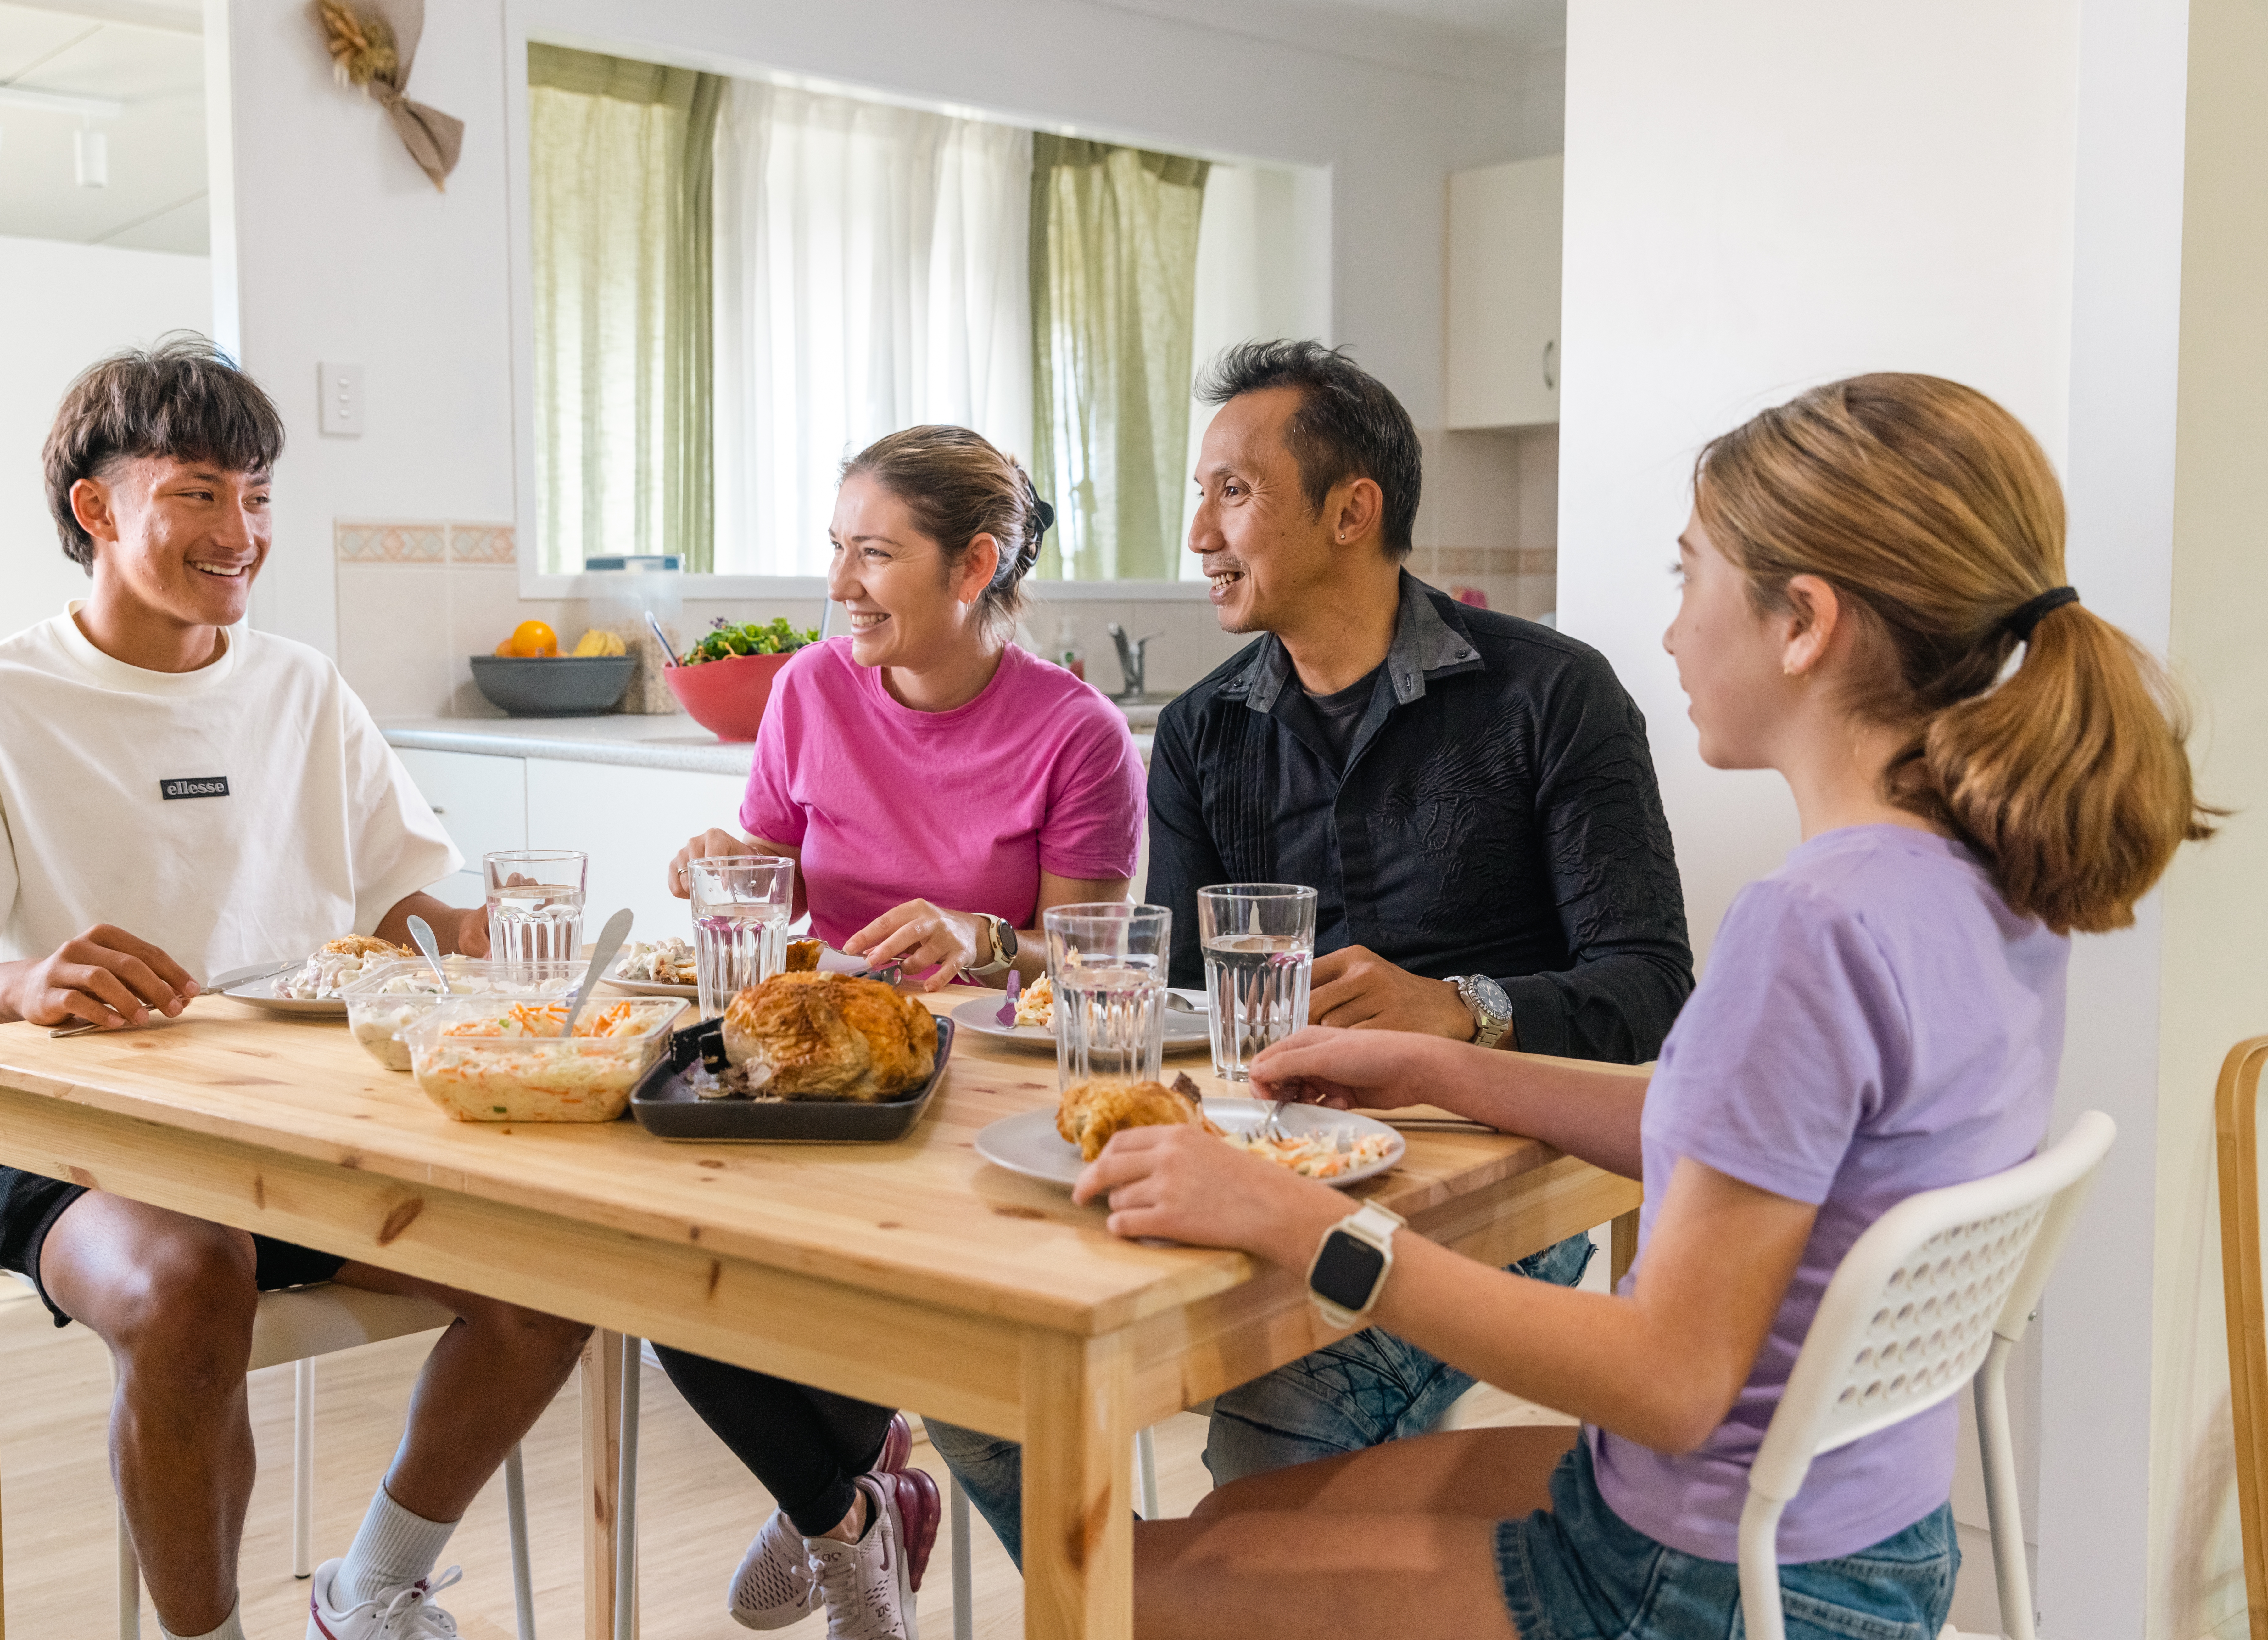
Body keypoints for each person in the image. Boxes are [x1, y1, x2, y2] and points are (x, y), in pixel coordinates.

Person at [1075, 373, 2209, 1637]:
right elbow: (1732, 1124)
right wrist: (1435, 1065)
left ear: (1802, 624)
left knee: (1127, 1587)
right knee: (1238, 1520)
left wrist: (1296, 1221)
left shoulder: (1811, 926)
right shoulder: (1979, 877)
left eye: (1687, 577)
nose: (1670, 632)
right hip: (1850, 1531)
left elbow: (1666, 1382)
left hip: (1698, 1579)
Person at [0, 336, 592, 1640]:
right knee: (189, 1281)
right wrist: (24, 978)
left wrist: (504, 930)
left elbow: (409, 908)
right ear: (98, 508)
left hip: (312, 1126)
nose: (240, 531)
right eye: (198, 493)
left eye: (259, 495)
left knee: (567, 1272)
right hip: (83, 1147)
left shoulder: (300, 687)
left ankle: (371, 1584)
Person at [927, 340, 1695, 1563]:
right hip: (1255, 1153)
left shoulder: (1550, 698)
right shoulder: (1197, 732)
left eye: (1231, 491)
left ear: (1352, 511)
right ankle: (1162, 1603)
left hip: (1496, 1178)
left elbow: (1652, 990)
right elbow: (1173, 989)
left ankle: (1194, 1597)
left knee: (1278, 1432)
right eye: (1199, 494)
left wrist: (1460, 1010)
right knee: (961, 1354)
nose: (1198, 535)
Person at [659, 424, 1145, 1640]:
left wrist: (982, 937)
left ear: (973, 566)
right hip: (818, 1082)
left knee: (831, 1294)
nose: (838, 587)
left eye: (873, 556)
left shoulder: (1077, 734)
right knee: (667, 1259)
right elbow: (772, 890)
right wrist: (727, 870)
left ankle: (848, 1493)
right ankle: (852, 1518)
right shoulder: (810, 692)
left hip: (982, 1102)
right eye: (837, 550)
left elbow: (1091, 964)